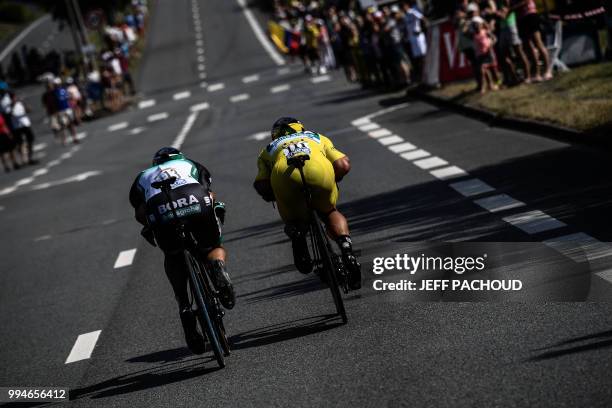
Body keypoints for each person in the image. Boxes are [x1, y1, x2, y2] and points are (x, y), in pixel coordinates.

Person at [129, 147, 235, 355]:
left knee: (173, 254)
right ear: (179, 158)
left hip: (161, 210)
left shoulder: (143, 176)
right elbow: (209, 193)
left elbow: (140, 211)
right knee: (212, 247)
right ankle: (217, 265)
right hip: (194, 199)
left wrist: (150, 225)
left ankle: (185, 306)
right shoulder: (190, 164)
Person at [253, 117, 362, 290]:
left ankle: (297, 234)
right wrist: (335, 178)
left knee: (294, 220)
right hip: (320, 173)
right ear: (301, 128)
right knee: (329, 212)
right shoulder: (317, 137)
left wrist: (271, 195)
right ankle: (346, 249)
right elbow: (342, 164)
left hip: (285, 178)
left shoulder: (268, 149)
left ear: (275, 135)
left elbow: (262, 184)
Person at [513, 0, 552, 81]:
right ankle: (537, 74)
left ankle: (548, 71)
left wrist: (513, 8)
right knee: (529, 47)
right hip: (520, 18)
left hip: (530, 15)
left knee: (538, 43)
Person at [9, 93, 36, 165]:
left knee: (30, 140)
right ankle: (23, 159)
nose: (15, 99)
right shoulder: (9, 107)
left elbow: (29, 109)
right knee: (20, 143)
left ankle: (30, 157)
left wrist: (24, 103)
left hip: (25, 124)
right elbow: (11, 115)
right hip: (17, 127)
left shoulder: (20, 104)